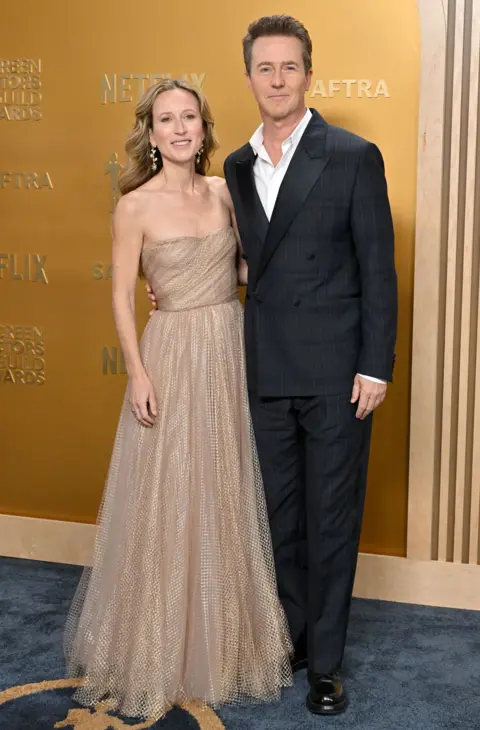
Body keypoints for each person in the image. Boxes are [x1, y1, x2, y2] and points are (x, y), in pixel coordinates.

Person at [148, 14, 398, 718]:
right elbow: (238, 257)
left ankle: (326, 665)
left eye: (290, 67)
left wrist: (375, 366)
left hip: (337, 375)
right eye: (265, 68)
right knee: (277, 519)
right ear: (250, 77)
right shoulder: (233, 166)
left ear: (308, 74)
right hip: (259, 372)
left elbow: (379, 270)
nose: (278, 79)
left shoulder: (352, 154)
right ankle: (286, 639)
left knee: (331, 519)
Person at [64, 78, 293, 722]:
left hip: (227, 346)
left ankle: (223, 644)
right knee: (166, 493)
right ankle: (159, 646)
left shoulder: (225, 191)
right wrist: (137, 373)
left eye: (189, 116)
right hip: (168, 354)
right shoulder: (134, 206)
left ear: (203, 124)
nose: (180, 128)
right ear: (151, 132)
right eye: (166, 119)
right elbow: (119, 297)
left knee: (224, 488)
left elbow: (248, 270)